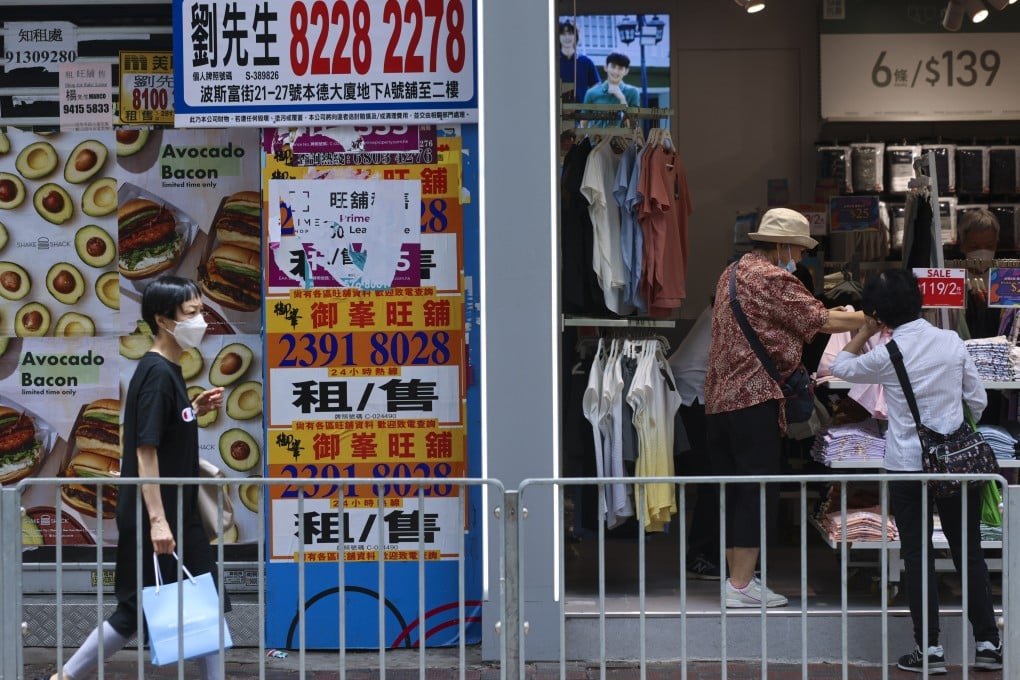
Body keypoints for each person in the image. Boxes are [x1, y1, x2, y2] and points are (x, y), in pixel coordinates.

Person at [40, 276, 228, 680]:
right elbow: (146, 451)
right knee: (133, 612)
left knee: (201, 600)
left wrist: (192, 409)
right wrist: (158, 520)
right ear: (164, 320)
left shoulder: (166, 371)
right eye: (192, 313)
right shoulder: (158, 375)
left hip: (172, 512)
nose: (202, 321)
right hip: (160, 514)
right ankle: (64, 678)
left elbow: (160, 431)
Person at [830, 269, 1002, 673]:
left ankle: (930, 650)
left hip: (907, 464)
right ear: (919, 300)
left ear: (878, 314)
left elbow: (841, 366)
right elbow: (976, 401)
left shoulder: (886, 354)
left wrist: (863, 329)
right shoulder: (951, 342)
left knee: (916, 555)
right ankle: (987, 645)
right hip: (957, 465)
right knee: (969, 553)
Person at [703, 208, 865, 608]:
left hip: (721, 401)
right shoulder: (772, 276)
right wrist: (876, 317)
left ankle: (737, 581)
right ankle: (741, 586)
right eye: (797, 247)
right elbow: (821, 320)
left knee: (735, 492)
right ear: (781, 245)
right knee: (757, 491)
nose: (799, 255)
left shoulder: (733, 272)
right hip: (753, 400)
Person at [667, 304, 721, 580]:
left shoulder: (715, 310)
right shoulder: (724, 313)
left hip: (690, 397)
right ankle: (700, 556)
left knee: (710, 482)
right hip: (693, 400)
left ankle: (705, 552)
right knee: (711, 481)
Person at [558, 20, 600, 104]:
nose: (567, 37)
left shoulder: (586, 62)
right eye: (563, 34)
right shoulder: (552, 62)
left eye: (570, 33)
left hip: (580, 114)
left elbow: (597, 86)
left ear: (576, 36)